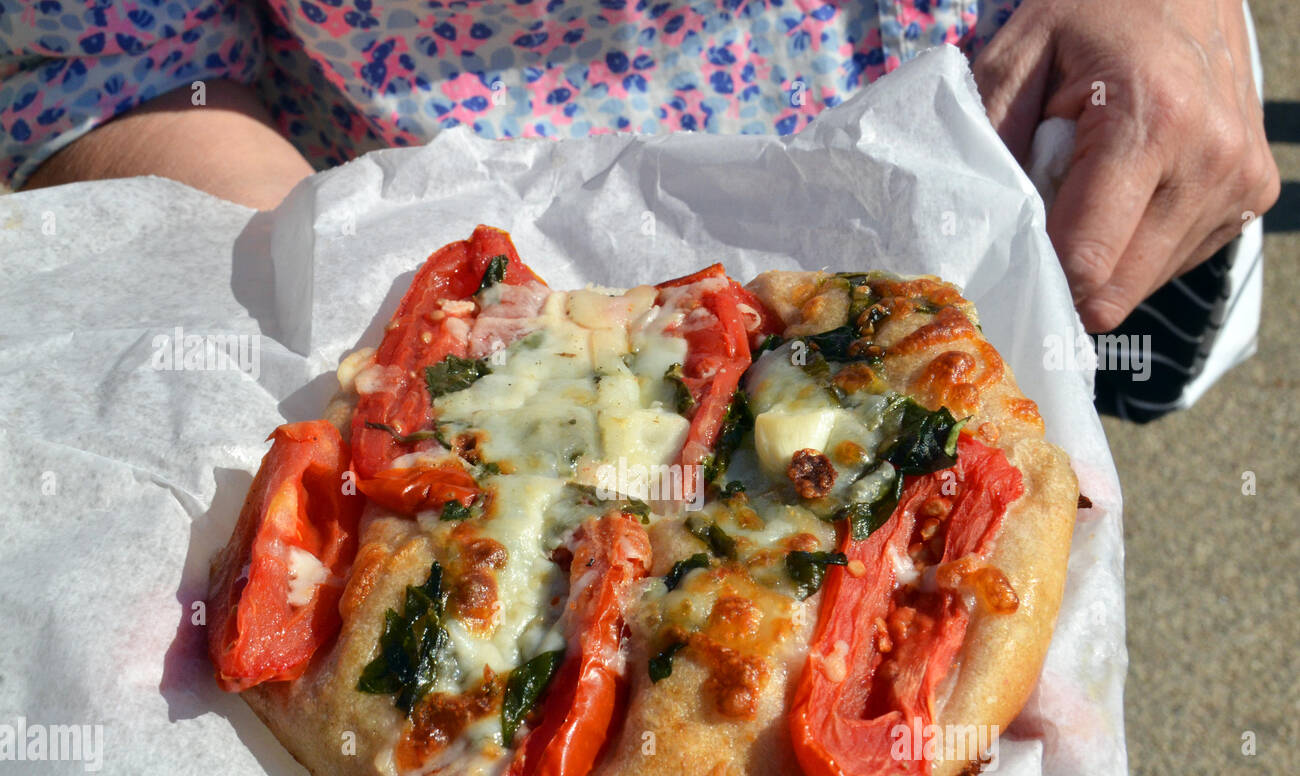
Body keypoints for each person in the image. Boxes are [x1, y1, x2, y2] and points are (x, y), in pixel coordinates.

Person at [2, 0, 1278, 417]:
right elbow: (115, 49)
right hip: (433, 292)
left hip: (1017, 140)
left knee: (1115, 371)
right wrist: (337, 356)